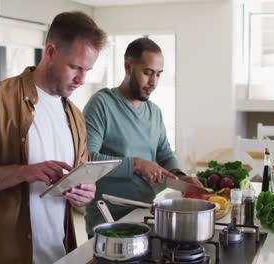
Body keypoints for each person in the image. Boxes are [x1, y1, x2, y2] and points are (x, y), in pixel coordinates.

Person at [0, 11, 107, 264]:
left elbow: (80, 185)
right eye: (75, 67)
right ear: (51, 52)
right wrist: (24, 172)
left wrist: (85, 192)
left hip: (57, 254)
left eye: (87, 70)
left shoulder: (76, 117)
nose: (81, 79)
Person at [83, 37, 202, 237]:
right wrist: (136, 164)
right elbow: (87, 160)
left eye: (158, 74)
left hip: (145, 215)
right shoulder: (101, 104)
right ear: (128, 66)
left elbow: (164, 153)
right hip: (108, 222)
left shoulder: (154, 112)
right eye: (147, 73)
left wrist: (179, 175)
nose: (153, 82)